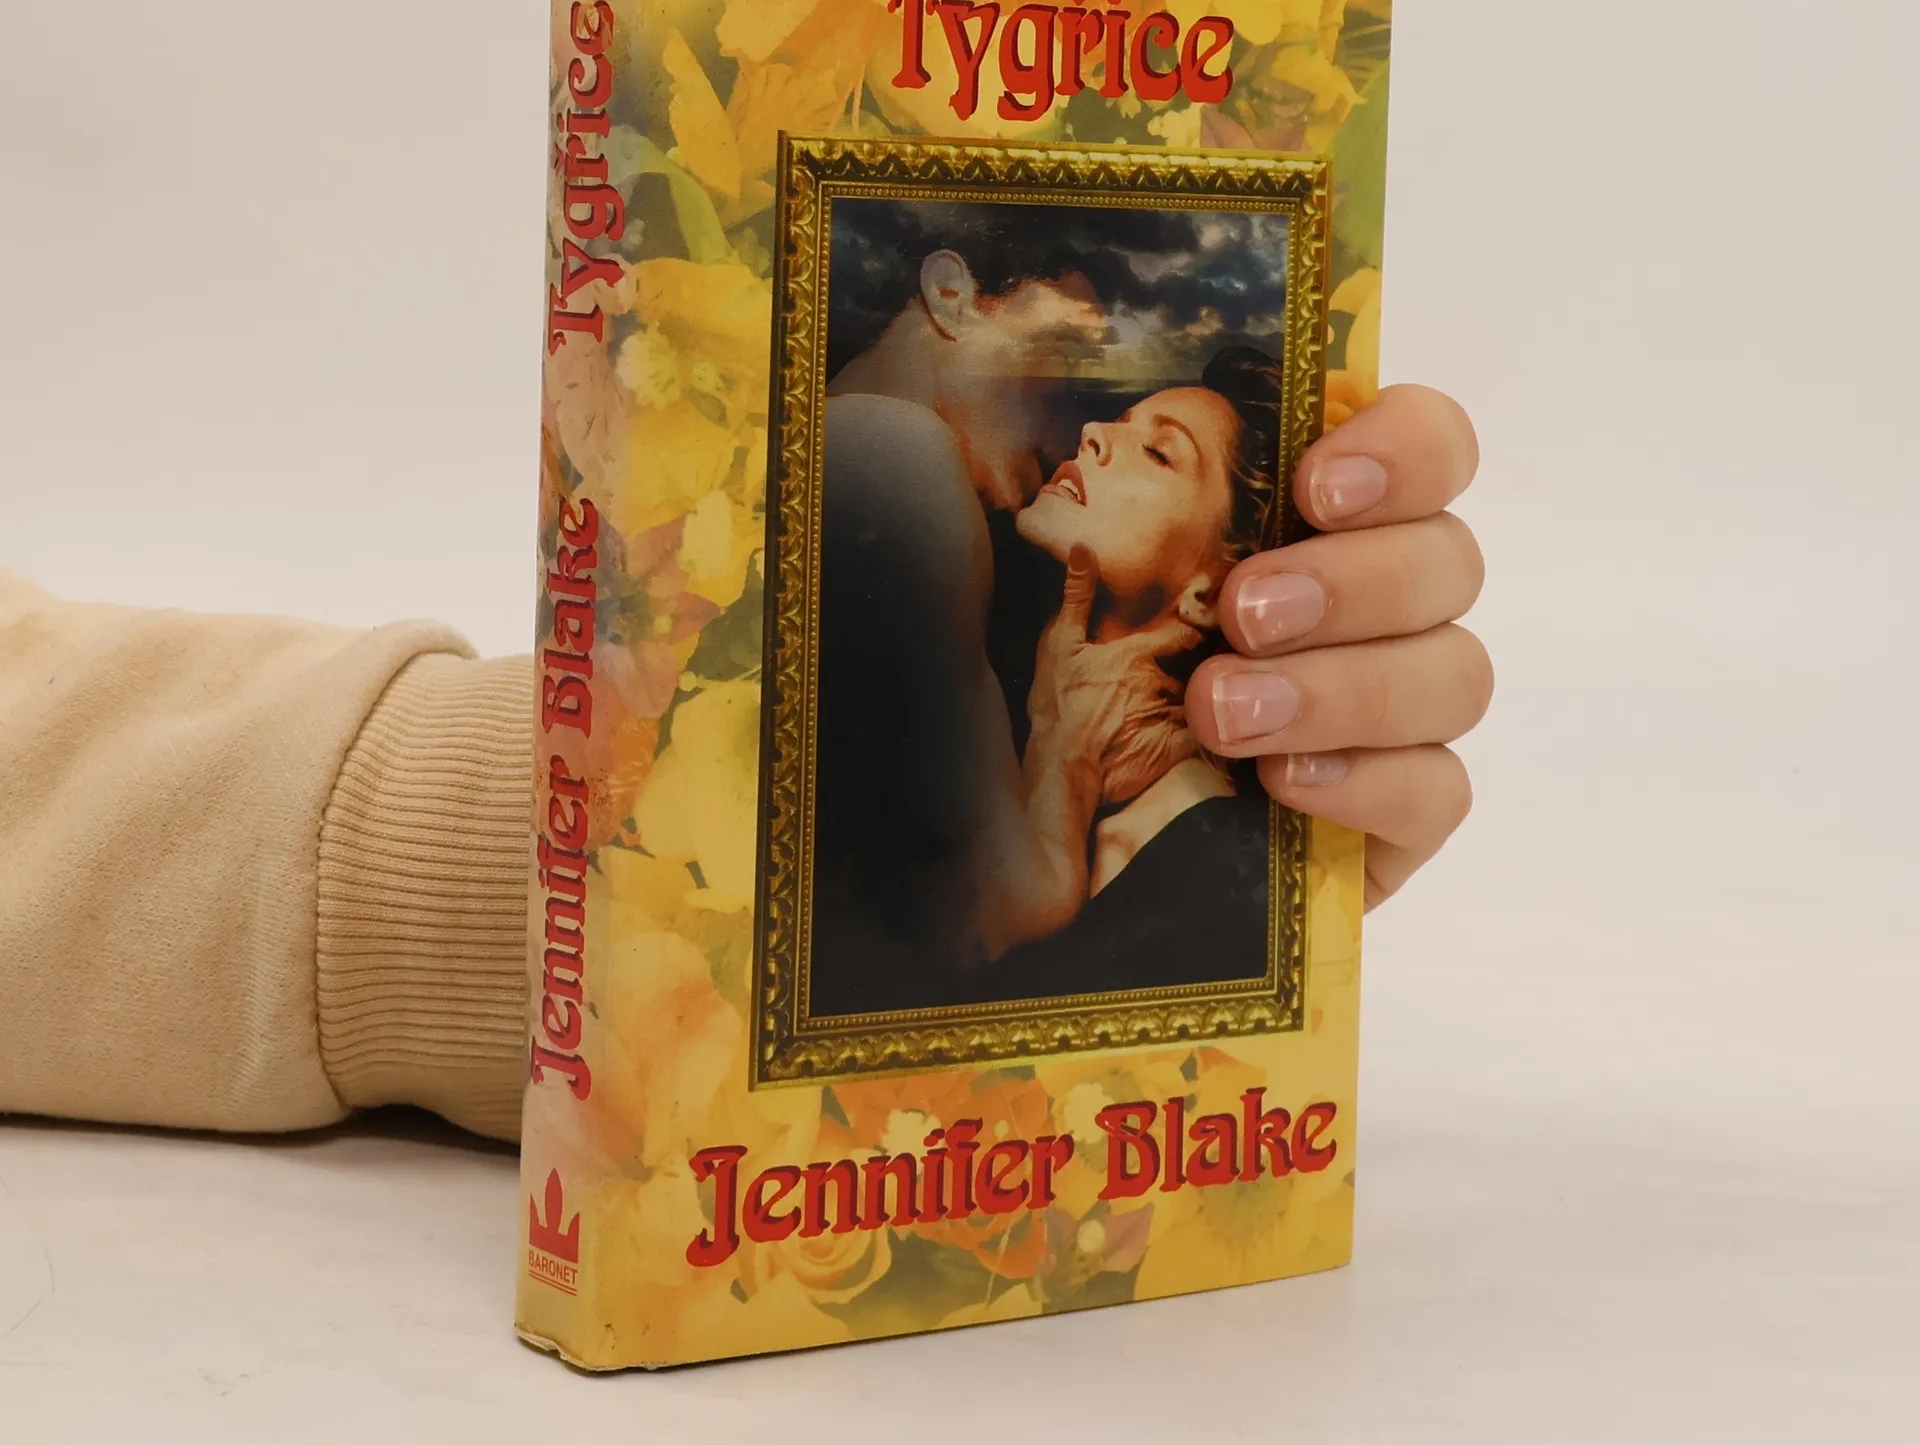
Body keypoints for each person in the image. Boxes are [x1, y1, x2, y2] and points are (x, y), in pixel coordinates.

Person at [0, 386, 1490, 1146]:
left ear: (1217, 582)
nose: (1097, 428)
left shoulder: (1181, 827)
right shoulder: (966, 628)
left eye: (1158, 451)